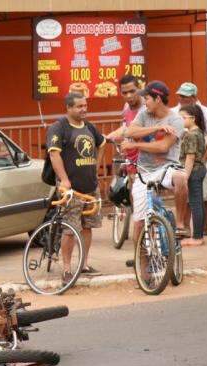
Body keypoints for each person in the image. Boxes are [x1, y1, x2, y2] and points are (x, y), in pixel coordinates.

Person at [121, 80, 188, 257]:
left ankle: (181, 224)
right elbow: (129, 132)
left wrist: (134, 146)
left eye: (147, 98)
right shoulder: (144, 114)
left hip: (166, 167)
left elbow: (163, 147)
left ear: (158, 99)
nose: (144, 102)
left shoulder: (176, 120)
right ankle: (141, 266)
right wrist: (157, 127)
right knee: (138, 224)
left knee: (181, 177)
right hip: (144, 171)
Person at [46, 92, 105, 282]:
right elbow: (54, 155)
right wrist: (64, 180)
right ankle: (66, 268)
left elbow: (102, 143)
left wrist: (96, 168)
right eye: (79, 106)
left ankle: (84, 264)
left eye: (85, 105)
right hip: (71, 189)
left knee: (88, 226)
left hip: (90, 187)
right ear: (68, 108)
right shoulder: (59, 127)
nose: (84, 109)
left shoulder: (89, 127)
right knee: (70, 229)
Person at [172, 82, 207, 237]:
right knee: (190, 197)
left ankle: (201, 230)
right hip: (184, 160)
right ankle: (187, 227)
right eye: (180, 95)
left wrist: (204, 159)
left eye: (185, 96)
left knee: (202, 197)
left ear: (194, 97)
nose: (181, 99)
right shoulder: (175, 112)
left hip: (194, 161)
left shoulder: (204, 113)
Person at [178, 104, 207, 246]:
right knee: (198, 203)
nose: (180, 120)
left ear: (193, 118)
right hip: (199, 169)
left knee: (195, 204)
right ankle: (198, 235)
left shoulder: (191, 135)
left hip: (193, 171)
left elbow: (190, 157)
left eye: (183, 118)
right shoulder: (199, 132)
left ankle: (197, 237)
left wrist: (185, 176)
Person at [106, 75, 145, 174]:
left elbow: (130, 132)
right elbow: (125, 128)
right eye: (125, 93)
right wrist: (107, 137)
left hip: (146, 164)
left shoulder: (147, 107)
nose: (128, 96)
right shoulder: (127, 106)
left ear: (139, 89)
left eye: (132, 91)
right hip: (131, 162)